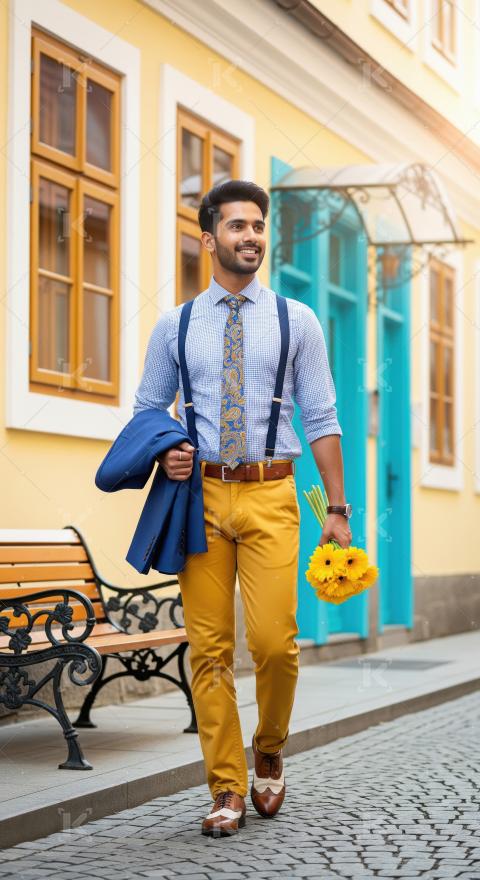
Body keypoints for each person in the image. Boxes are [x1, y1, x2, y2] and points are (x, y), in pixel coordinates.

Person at [134, 179, 352, 837]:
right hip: (200, 495)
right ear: (208, 238)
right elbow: (149, 410)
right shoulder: (175, 325)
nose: (250, 236)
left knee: (274, 645)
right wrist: (168, 450)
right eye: (237, 226)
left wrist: (336, 508)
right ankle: (226, 785)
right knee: (208, 649)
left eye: (258, 225)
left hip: (271, 492)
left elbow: (322, 416)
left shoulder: (297, 320)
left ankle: (270, 744)